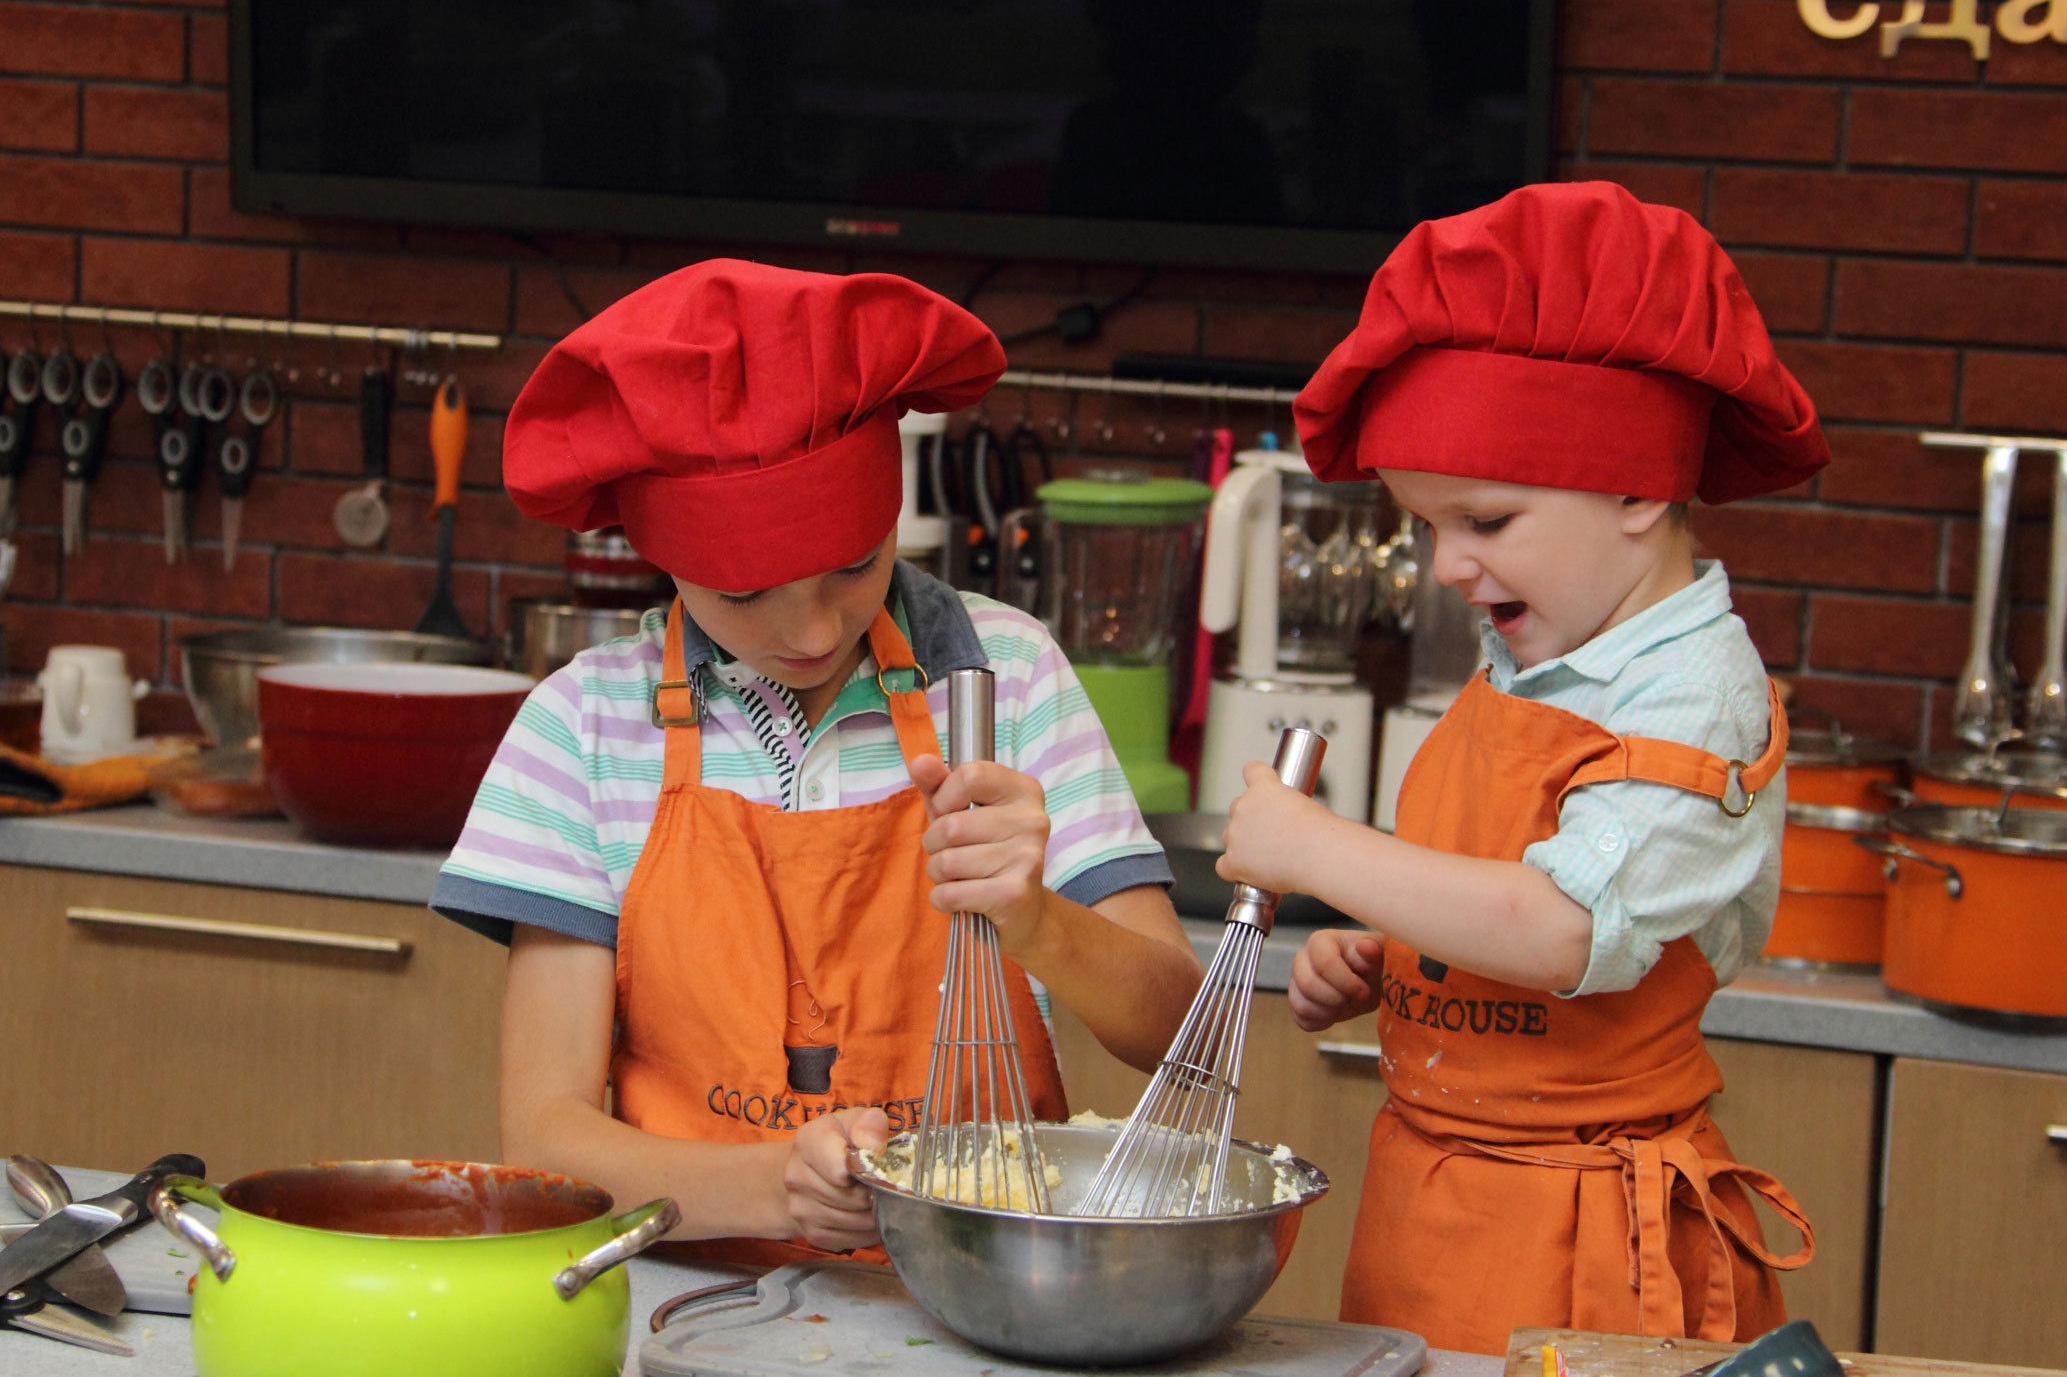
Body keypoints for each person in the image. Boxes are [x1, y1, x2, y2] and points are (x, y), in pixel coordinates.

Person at [432, 260, 1201, 1265]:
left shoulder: (1008, 679)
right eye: (745, 590)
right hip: (686, 1318)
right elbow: (544, 1138)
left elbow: (1178, 1034)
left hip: (987, 1312)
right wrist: (778, 1182)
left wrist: (1039, 920)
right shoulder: (581, 728)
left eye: (853, 562)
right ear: (657, 553)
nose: (812, 628)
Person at [1215, 182, 1824, 1352]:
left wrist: (1321, 850)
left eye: (1486, 520)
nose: (1449, 566)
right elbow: (1501, 877)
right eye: (1427, 525)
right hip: (1435, 1203)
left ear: (1640, 487)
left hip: (1585, 1244)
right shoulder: (1547, 648)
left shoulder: (1694, 694)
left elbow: (1558, 930)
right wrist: (1404, 958)